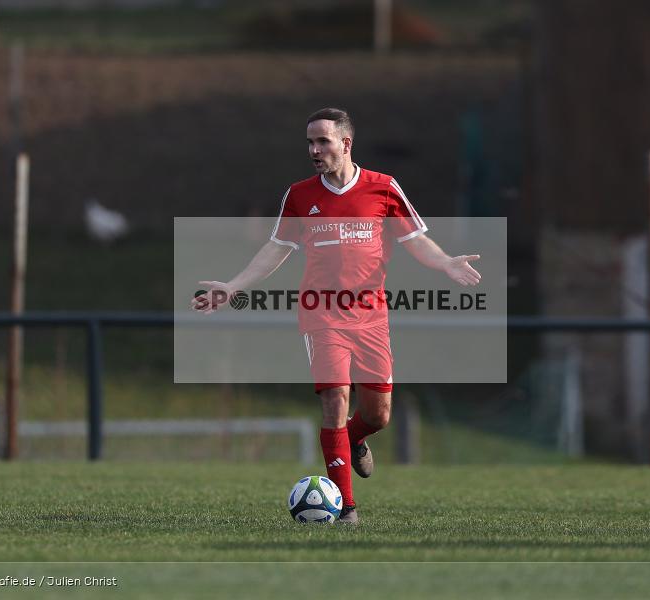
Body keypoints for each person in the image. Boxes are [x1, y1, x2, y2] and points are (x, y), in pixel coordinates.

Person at [194, 108, 481, 524]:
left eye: (322, 141)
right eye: (309, 142)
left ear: (345, 144)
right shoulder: (300, 195)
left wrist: (446, 263)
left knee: (378, 415)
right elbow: (276, 248)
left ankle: (353, 439)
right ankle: (346, 508)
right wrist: (233, 286)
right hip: (321, 314)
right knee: (335, 398)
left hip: (372, 316)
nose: (313, 150)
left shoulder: (383, 188)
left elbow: (417, 240)